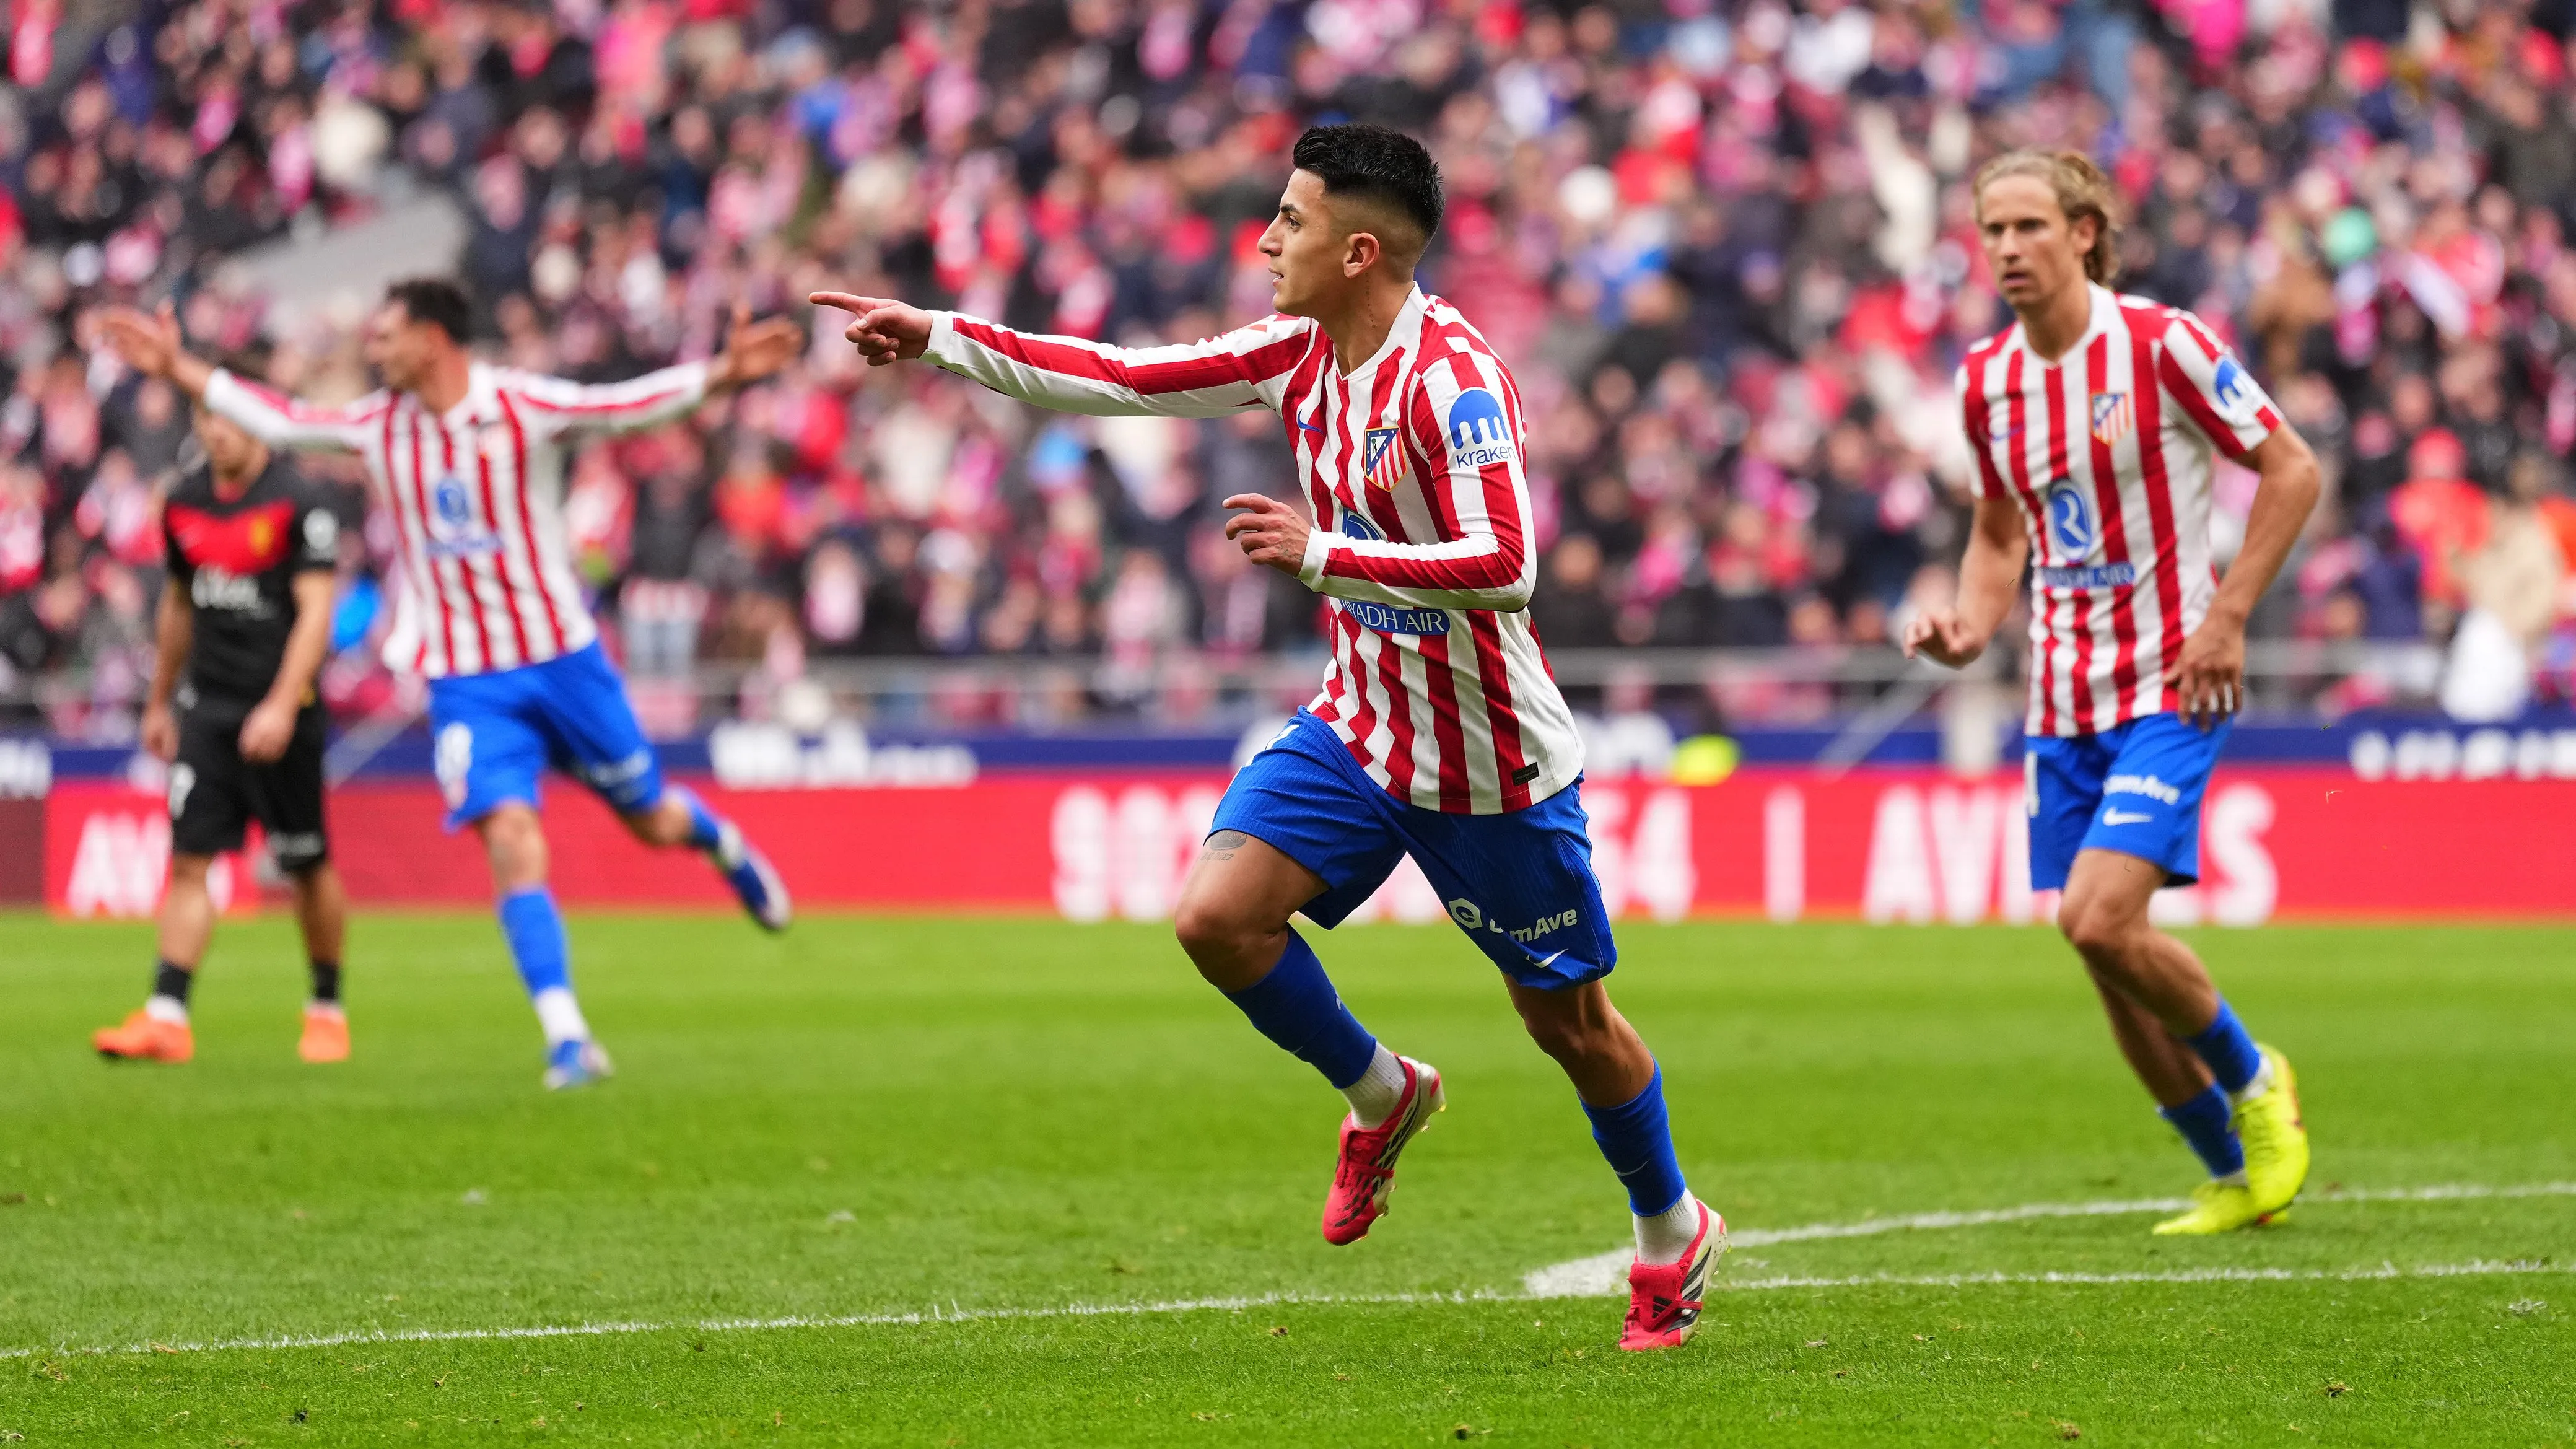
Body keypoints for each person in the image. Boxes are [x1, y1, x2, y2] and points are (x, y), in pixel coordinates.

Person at [814, 123, 1721, 1351]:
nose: (1264, 240)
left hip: (1487, 757)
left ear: (1359, 249)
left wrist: (1323, 552)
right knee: (1214, 917)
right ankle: (1383, 1090)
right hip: (1361, 722)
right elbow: (1125, 375)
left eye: (1289, 221)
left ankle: (1670, 1229)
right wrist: (941, 336)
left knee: (1569, 1025)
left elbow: (1507, 565)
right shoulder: (1293, 351)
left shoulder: (1453, 381)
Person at [101, 280, 803, 1090]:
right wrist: (179, 368)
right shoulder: (378, 427)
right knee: (510, 836)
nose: (374, 349)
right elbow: (280, 419)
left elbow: (621, 407)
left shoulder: (517, 405)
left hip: (561, 660)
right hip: (466, 678)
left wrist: (718, 376)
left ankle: (721, 843)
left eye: (387, 335)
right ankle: (567, 1035)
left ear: (432, 338)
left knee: (651, 818)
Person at [1904, 149, 2320, 1234]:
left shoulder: (2161, 343)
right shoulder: (1984, 380)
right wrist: (1966, 624)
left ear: (2083, 231)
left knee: (2095, 921)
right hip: (2058, 697)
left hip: (2169, 679)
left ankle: (2251, 1074)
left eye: (2028, 227)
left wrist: (2224, 616)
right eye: (1991, 230)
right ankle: (2229, 1168)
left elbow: (2291, 468)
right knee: (2101, 956)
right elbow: (1997, 535)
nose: (2005, 249)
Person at [92, 396, 350, 1066]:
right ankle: (167, 1015)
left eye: (230, 418)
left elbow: (316, 612)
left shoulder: (300, 500)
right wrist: (158, 703)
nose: (217, 430)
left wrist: (283, 703)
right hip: (207, 709)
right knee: (189, 859)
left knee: (305, 861)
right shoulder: (183, 500)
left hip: (282, 710)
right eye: (206, 417)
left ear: (261, 423)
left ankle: (326, 1007)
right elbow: (179, 603)